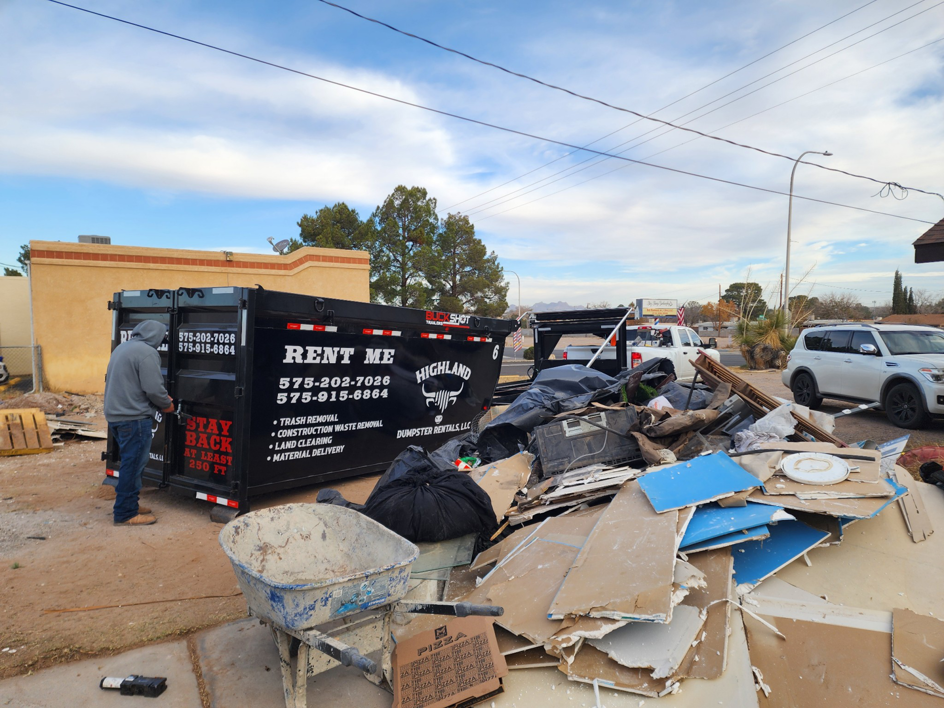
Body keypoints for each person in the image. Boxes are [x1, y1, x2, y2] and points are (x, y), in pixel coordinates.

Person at [104, 320, 174, 526]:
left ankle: (130, 503)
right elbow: (153, 388)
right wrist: (166, 404)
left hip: (116, 415)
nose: (162, 342)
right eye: (162, 338)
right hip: (133, 418)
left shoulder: (123, 347)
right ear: (155, 335)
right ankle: (126, 513)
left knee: (130, 462)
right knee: (133, 466)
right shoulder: (147, 353)